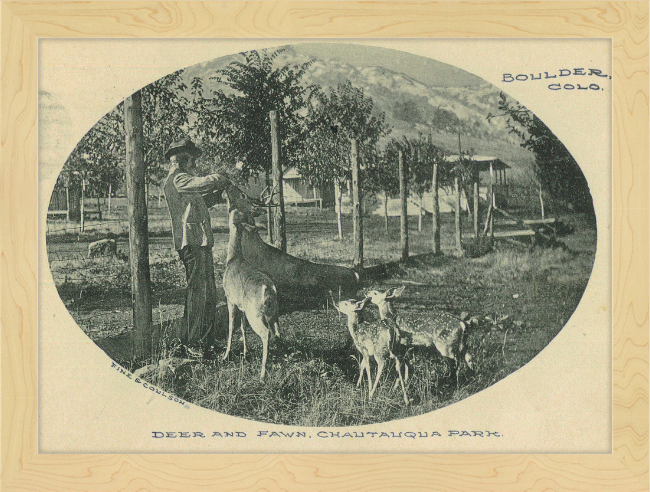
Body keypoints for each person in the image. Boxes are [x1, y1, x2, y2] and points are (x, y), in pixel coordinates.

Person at [163, 137, 230, 357]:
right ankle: (193, 343)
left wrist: (215, 196)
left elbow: (197, 201)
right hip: (190, 243)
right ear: (182, 159)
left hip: (199, 242)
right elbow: (201, 183)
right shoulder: (178, 179)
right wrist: (218, 178)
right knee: (198, 294)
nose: (195, 164)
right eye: (192, 159)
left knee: (207, 293)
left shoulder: (184, 182)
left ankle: (205, 342)